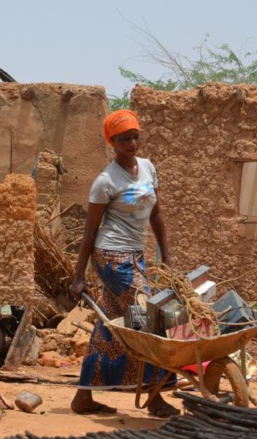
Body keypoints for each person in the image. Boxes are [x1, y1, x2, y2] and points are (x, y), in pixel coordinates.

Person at [69, 109, 178, 419]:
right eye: (124, 138)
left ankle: (83, 397)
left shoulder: (147, 168)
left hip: (136, 256)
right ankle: (155, 398)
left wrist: (166, 255)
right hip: (112, 257)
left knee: (110, 326)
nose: (132, 142)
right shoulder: (105, 181)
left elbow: (156, 213)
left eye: (135, 136)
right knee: (152, 318)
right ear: (112, 142)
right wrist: (79, 275)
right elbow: (90, 231)